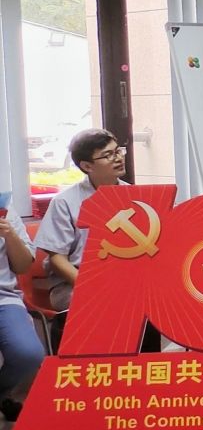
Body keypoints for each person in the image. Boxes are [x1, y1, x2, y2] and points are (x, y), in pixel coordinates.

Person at [35, 129, 131, 313]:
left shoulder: (133, 195)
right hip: (74, 283)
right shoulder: (64, 201)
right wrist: (90, 286)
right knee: (110, 306)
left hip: (124, 280)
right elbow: (57, 258)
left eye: (118, 151)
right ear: (87, 166)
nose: (118, 158)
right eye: (108, 155)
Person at [0, 197, 43, 422]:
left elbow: (24, 265)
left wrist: (9, 235)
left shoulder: (5, 208)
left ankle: (2, 392)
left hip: (4, 298)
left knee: (28, 353)